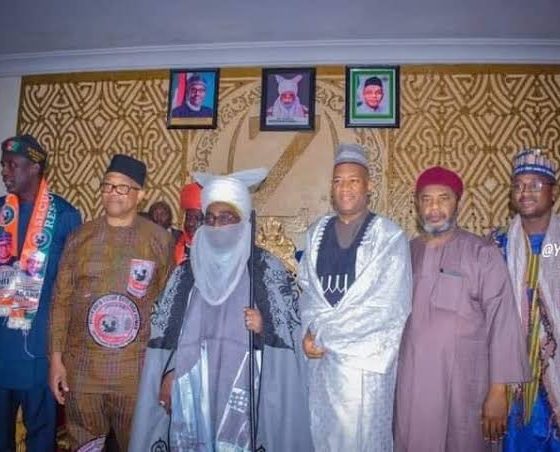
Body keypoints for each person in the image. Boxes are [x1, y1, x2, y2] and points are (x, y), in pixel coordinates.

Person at [130, 168, 312, 451]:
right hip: (195, 390)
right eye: (210, 219)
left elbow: (291, 338)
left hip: (247, 393)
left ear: (244, 221)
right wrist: (169, 372)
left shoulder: (267, 270)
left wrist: (264, 327)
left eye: (226, 219)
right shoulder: (185, 273)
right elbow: (165, 337)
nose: (217, 227)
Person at [394, 166, 530, 452]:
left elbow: (502, 321)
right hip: (412, 385)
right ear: (417, 205)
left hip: (465, 385)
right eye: (426, 199)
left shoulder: (482, 253)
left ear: (457, 202)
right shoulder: (405, 252)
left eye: (443, 198)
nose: (434, 208)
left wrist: (498, 390)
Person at [48, 154, 173, 451]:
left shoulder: (158, 240)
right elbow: (61, 300)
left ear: (140, 194)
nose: (112, 193)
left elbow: (169, 307)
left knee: (139, 443)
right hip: (83, 370)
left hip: (135, 372)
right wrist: (55, 359)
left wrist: (167, 369)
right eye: (107, 185)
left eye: (122, 187)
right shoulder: (80, 237)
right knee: (84, 445)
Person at [298, 143, 412, 451]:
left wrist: (324, 336)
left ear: (369, 186)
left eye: (353, 180)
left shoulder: (388, 236)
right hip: (322, 363)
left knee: (363, 439)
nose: (344, 188)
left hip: (364, 364)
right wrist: (307, 334)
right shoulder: (316, 232)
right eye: (338, 181)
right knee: (324, 438)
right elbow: (308, 294)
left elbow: (388, 307)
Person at [0, 134, 81, 452]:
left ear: (35, 167)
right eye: (3, 165)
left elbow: (71, 288)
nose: (5, 171)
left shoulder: (64, 215)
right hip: (1, 347)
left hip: (38, 352)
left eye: (12, 165)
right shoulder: (1, 212)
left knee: (41, 438)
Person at [490, 148, 560, 451]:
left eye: (535, 185)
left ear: (553, 193)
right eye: (518, 185)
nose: (525, 192)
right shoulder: (498, 245)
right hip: (512, 381)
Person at [174, 182, 203, 264]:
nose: (190, 223)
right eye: (188, 218)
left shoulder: (216, 251)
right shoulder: (176, 244)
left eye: (197, 218)